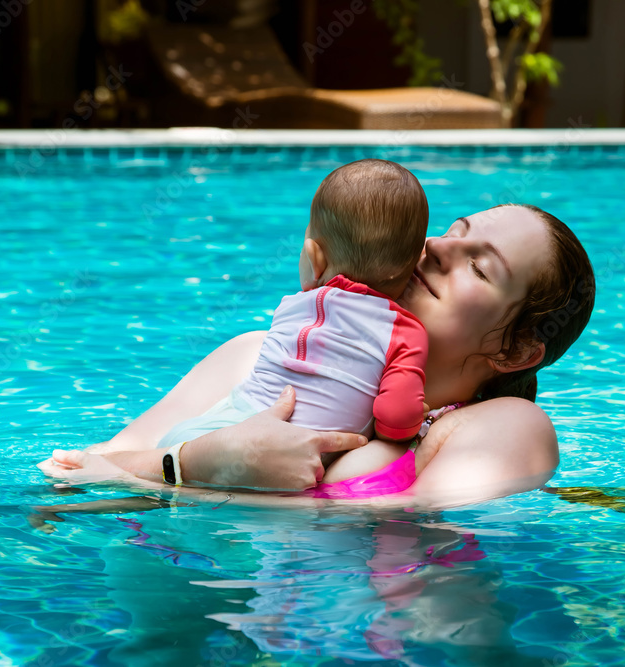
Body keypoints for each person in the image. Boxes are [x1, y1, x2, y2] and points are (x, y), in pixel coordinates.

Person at [40, 203, 595, 508]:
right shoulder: (255, 356)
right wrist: (192, 465)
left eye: (479, 266)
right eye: (452, 231)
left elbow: (398, 522)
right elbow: (69, 477)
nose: (437, 246)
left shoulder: (506, 427)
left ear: (518, 350)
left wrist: (191, 468)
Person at [155, 159, 430, 491]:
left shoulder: (291, 306)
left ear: (316, 258)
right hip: (299, 455)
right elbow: (396, 418)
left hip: (226, 426)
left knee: (175, 451)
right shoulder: (404, 330)